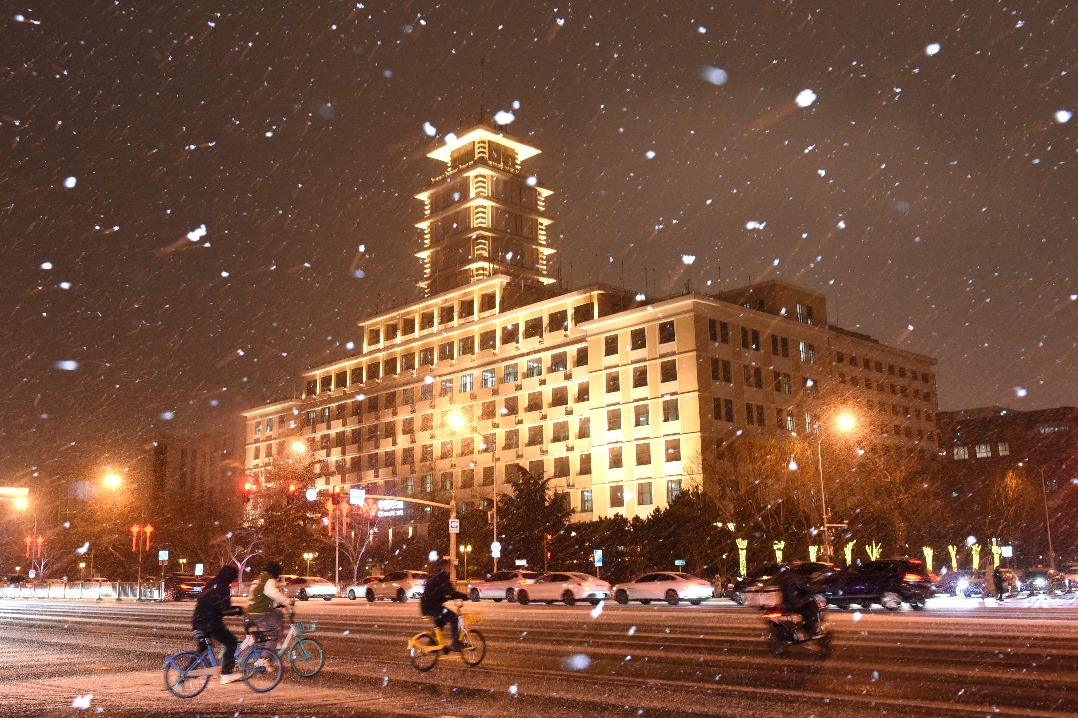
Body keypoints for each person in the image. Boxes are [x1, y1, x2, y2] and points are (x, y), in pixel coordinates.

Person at [192, 565, 244, 684]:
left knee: (202, 651)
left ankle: (183, 675)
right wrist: (240, 610)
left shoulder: (212, 582)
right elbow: (225, 610)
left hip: (198, 620)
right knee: (231, 642)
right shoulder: (223, 588)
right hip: (210, 622)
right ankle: (226, 673)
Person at [420, 557, 468, 650]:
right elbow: (451, 592)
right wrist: (463, 596)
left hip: (427, 606)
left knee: (441, 622)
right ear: (445, 568)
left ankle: (433, 643)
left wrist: (445, 597)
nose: (450, 569)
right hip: (433, 607)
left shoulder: (437, 577)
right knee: (454, 618)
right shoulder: (443, 578)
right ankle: (456, 644)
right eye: (449, 567)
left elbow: (439, 593)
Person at [246, 560, 291, 651]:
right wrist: (288, 601)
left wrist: (276, 604)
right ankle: (265, 659)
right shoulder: (268, 579)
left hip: (254, 610)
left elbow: (263, 596)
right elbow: (273, 593)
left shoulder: (260, 578)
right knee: (272, 633)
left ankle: (274, 642)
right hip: (260, 613)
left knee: (278, 613)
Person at [775, 566, 820, 639]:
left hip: (785, 604)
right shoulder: (793, 578)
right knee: (811, 613)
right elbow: (805, 587)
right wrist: (815, 589)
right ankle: (809, 632)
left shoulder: (780, 579)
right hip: (794, 603)